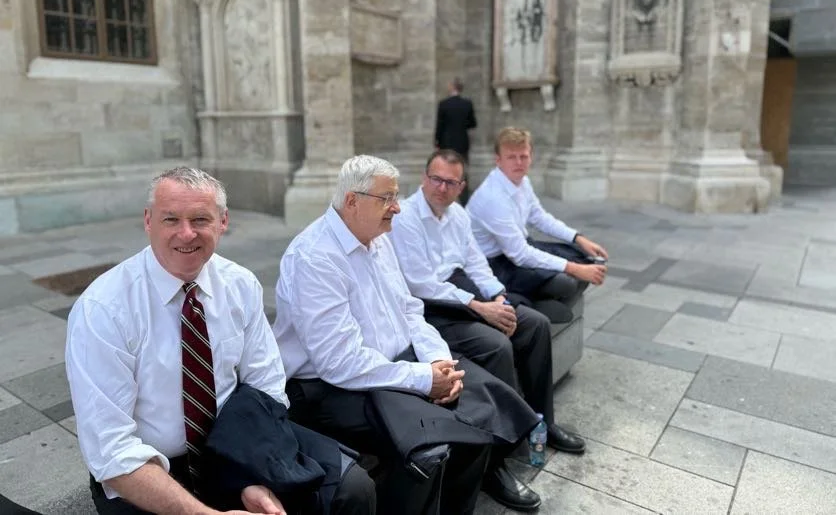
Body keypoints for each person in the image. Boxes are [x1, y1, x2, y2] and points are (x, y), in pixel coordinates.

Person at [65, 167, 375, 515]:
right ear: (148, 221)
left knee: (351, 488)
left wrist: (250, 473)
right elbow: (110, 450)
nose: (186, 234)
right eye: (171, 220)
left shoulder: (239, 284)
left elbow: (266, 386)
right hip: (146, 465)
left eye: (200, 219)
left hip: (234, 441)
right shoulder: (103, 309)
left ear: (223, 222)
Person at [272, 155, 540, 515]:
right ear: (352, 200)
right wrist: (424, 379)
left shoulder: (378, 238)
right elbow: (340, 363)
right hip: (326, 389)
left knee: (482, 400)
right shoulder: (314, 258)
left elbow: (410, 309)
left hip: (388, 365)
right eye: (387, 198)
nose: (398, 208)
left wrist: (438, 360)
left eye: (396, 196)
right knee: (441, 437)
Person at [389, 151, 586, 484]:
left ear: (461, 186)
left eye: (451, 182)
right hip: (432, 306)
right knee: (496, 345)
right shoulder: (406, 217)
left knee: (534, 324)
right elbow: (421, 282)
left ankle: (543, 423)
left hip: (465, 292)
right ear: (424, 178)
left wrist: (498, 296)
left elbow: (476, 263)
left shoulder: (458, 216)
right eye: (435, 179)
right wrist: (480, 307)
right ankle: (497, 463)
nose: (441, 188)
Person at [467, 127, 609, 323]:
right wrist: (574, 269)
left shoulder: (522, 181)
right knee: (566, 281)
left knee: (586, 258)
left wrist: (578, 238)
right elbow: (520, 255)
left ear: (531, 157)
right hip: (494, 264)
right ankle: (532, 305)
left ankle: (542, 301)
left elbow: (540, 217)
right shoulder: (492, 198)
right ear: (498, 160)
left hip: (518, 247)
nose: (519, 163)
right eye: (511, 157)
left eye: (523, 156)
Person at [434, 77, 477, 203]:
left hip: (447, 143)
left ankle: (446, 198)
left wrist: (437, 142)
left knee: (446, 170)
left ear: (452, 87)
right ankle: (463, 200)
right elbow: (473, 123)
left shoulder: (444, 104)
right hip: (462, 143)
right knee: (462, 171)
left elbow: (439, 126)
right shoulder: (467, 104)